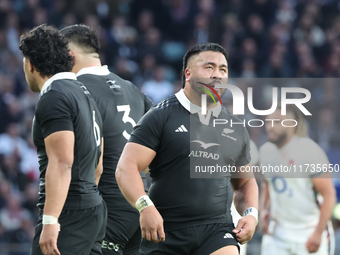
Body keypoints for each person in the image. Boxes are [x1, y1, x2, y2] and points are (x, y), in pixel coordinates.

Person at [116, 42, 259, 255]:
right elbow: (126, 167)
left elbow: (245, 181)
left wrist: (250, 214)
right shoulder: (160, 116)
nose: (217, 75)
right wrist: (145, 206)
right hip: (165, 231)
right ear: (188, 73)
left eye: (223, 69)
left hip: (216, 230)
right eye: (209, 67)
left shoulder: (234, 126)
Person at [60, 24, 153, 255]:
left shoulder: (76, 91)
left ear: (69, 55)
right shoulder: (133, 89)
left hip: (105, 213)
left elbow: (93, 163)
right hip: (138, 208)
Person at [19, 24, 107, 255]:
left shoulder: (54, 95)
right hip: (93, 208)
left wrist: (50, 221)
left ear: (31, 64)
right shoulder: (85, 93)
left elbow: (62, 162)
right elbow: (97, 166)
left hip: (69, 213)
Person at [260, 105, 336, 255]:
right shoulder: (265, 151)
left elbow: (329, 196)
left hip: (309, 232)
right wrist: (263, 210)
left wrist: (318, 232)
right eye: (268, 122)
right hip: (277, 234)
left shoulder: (310, 152)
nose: (270, 127)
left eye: (277, 121)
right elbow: (266, 183)